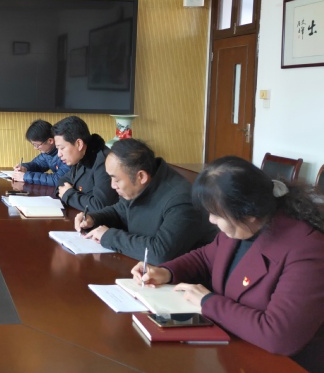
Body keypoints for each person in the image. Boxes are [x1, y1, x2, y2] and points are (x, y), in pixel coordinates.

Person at [131, 157, 324, 372]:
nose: (211, 220)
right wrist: (166, 271)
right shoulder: (242, 225)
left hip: (281, 364)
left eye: (216, 214)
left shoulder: (307, 250)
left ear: (249, 214)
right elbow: (205, 257)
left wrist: (208, 302)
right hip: (233, 349)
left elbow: (279, 335)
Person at [74, 138, 216, 263]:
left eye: (116, 179)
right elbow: (120, 211)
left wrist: (109, 236)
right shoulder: (143, 185)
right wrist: (93, 218)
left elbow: (160, 253)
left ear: (141, 176)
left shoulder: (181, 200)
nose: (112, 185)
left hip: (183, 279)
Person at [50, 116, 117, 211]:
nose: (59, 154)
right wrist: (64, 192)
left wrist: (68, 195)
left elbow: (100, 205)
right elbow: (64, 180)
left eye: (62, 148)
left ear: (79, 144)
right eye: (57, 149)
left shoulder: (104, 162)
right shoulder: (81, 156)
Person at [11, 120, 71, 187]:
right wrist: (25, 167)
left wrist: (25, 177)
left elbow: (58, 179)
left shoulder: (66, 154)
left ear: (50, 141)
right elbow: (37, 164)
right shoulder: (48, 153)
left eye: (37, 145)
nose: (35, 148)